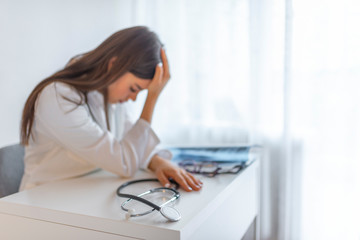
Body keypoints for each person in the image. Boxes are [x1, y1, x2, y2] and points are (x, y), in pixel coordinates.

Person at [19, 26, 202, 192]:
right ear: (114, 65)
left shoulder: (105, 94)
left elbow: (132, 142)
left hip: (84, 192)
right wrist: (152, 98)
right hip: (42, 202)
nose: (133, 98)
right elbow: (124, 162)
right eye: (134, 89)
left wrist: (158, 162)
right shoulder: (59, 97)